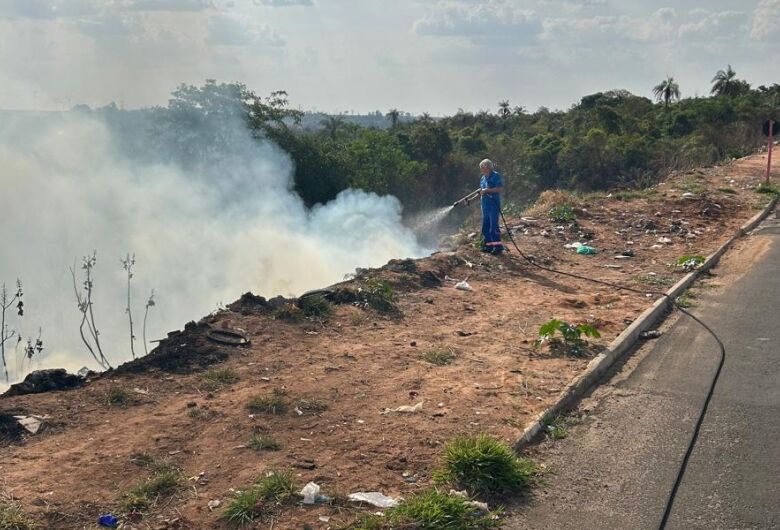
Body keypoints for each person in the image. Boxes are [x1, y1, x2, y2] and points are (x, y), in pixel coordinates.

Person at [478, 159, 505, 254]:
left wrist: (487, 191)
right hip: (485, 206)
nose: (481, 169)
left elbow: (499, 189)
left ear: (488, 167)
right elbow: (481, 192)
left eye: (483, 167)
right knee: (485, 226)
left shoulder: (495, 176)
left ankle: (497, 247)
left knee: (493, 226)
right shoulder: (482, 178)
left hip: (493, 205)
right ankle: (488, 246)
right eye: (481, 168)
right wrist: (470, 200)